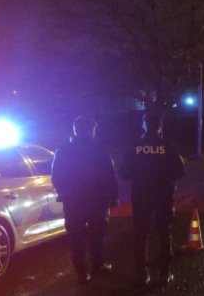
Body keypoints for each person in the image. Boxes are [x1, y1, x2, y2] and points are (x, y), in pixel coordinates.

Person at [51, 116, 119, 284]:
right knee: (97, 235)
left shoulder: (63, 150)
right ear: (91, 130)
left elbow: (56, 176)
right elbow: (110, 175)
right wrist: (113, 196)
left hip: (73, 201)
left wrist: (65, 192)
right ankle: (98, 265)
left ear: (75, 130)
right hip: (97, 200)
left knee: (76, 237)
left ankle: (81, 273)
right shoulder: (100, 149)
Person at [120, 112, 185, 286]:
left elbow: (123, 173)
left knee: (140, 234)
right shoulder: (167, 146)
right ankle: (164, 274)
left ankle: (141, 275)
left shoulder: (134, 146)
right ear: (159, 126)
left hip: (141, 195)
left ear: (144, 125)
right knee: (164, 233)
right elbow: (179, 171)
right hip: (163, 195)